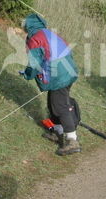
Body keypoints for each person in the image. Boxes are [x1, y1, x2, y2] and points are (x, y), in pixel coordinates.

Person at [21, 13, 81, 156]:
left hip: (59, 74)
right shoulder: (50, 34)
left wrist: (27, 74)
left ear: (28, 26)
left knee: (60, 106)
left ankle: (72, 141)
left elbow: (35, 63)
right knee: (52, 103)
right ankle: (58, 133)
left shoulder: (36, 38)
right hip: (68, 70)